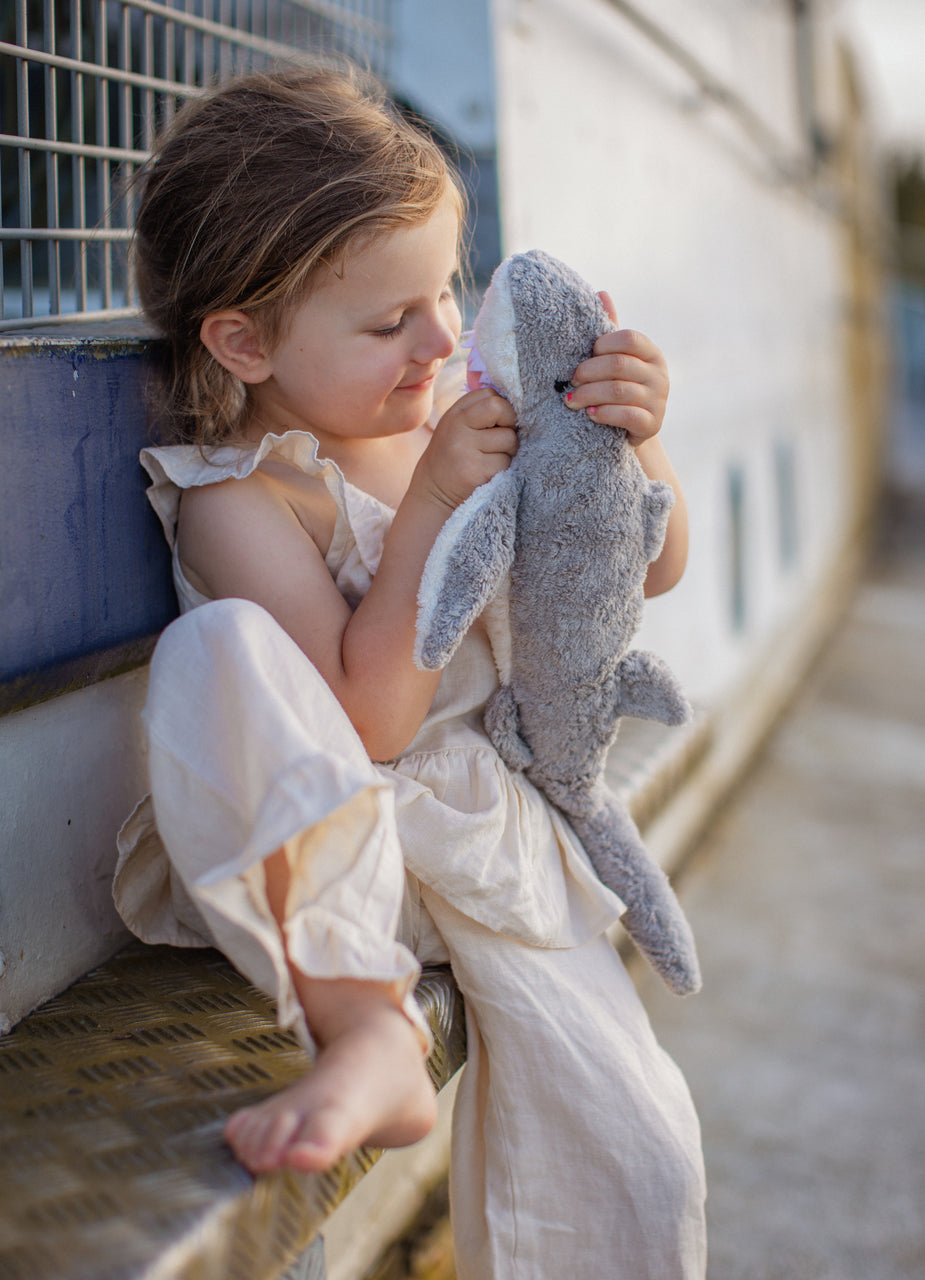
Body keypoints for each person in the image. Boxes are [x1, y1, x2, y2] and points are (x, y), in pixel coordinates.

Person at [114, 62, 706, 1279]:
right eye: (390, 321)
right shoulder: (243, 498)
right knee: (214, 652)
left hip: (497, 838)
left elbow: (644, 571)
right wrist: (435, 497)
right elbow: (365, 720)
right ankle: (361, 1030)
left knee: (639, 1153)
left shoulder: (457, 418)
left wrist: (642, 443)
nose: (442, 337)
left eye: (444, 291)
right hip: (334, 858)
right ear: (245, 340)